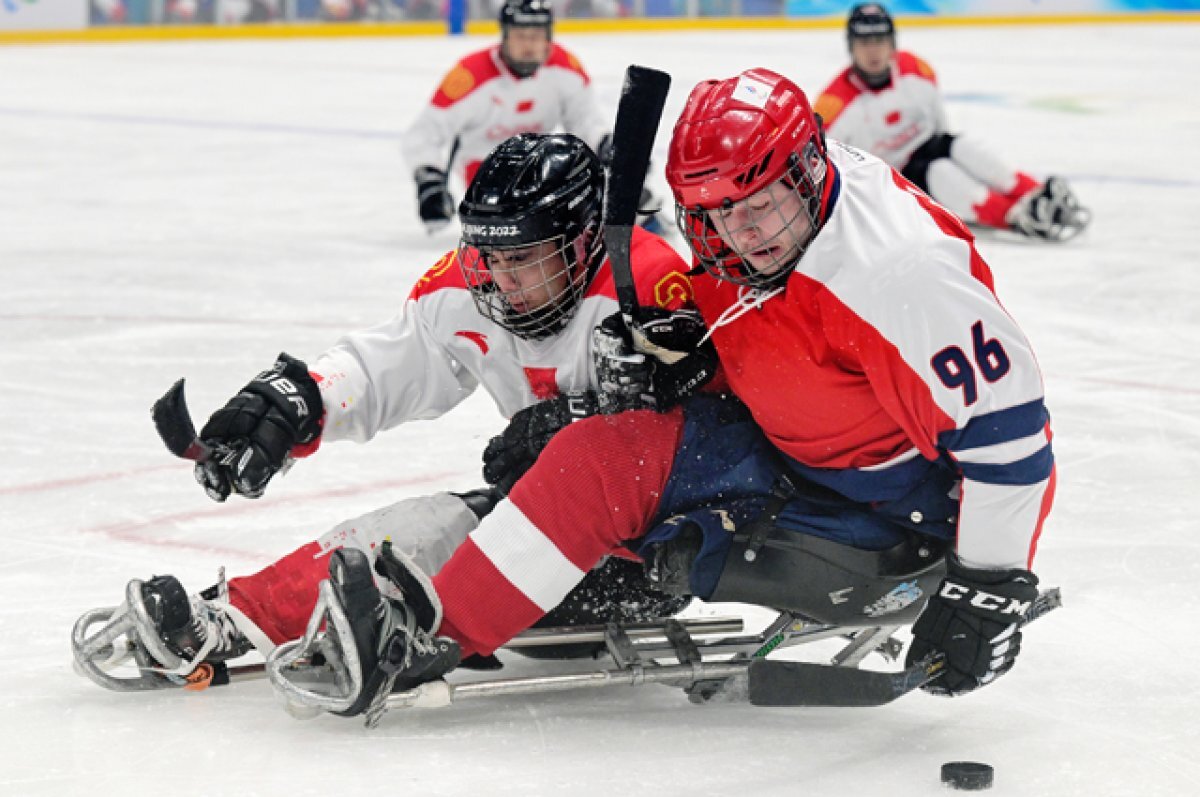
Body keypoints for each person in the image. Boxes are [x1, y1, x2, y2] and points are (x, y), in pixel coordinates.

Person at [281, 67, 1055, 718]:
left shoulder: (898, 274)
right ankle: (467, 603)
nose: (740, 235)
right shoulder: (762, 206)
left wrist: (987, 588)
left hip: (887, 507)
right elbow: (760, 315)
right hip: (784, 443)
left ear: (810, 170)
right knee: (594, 452)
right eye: (713, 215)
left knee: (608, 480)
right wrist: (681, 358)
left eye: (757, 209)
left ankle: (421, 639)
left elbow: (1011, 445)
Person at [73, 133, 708, 690]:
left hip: (646, 562)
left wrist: (586, 420)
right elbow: (390, 366)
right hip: (536, 527)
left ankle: (380, 622)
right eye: (488, 255)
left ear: (580, 244)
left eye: (522, 258)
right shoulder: (470, 288)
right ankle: (230, 620)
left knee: (440, 534)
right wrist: (294, 402)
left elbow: (715, 432)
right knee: (420, 529)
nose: (499, 279)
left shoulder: (653, 287)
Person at [813, 3, 1090, 241]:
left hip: (927, 146)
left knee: (963, 147)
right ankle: (1015, 217)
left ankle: (1033, 192)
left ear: (892, 44)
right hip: (892, 181)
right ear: (851, 46)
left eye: (880, 41)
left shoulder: (916, 69)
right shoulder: (834, 106)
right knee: (941, 172)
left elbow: (939, 124)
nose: (873, 51)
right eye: (864, 43)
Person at [400, 0, 611, 234]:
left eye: (537, 36)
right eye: (520, 35)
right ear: (505, 36)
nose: (529, 45)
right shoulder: (471, 75)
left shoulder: (565, 67)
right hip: (484, 168)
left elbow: (586, 121)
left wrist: (606, 145)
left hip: (540, 165)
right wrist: (430, 182)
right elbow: (423, 134)